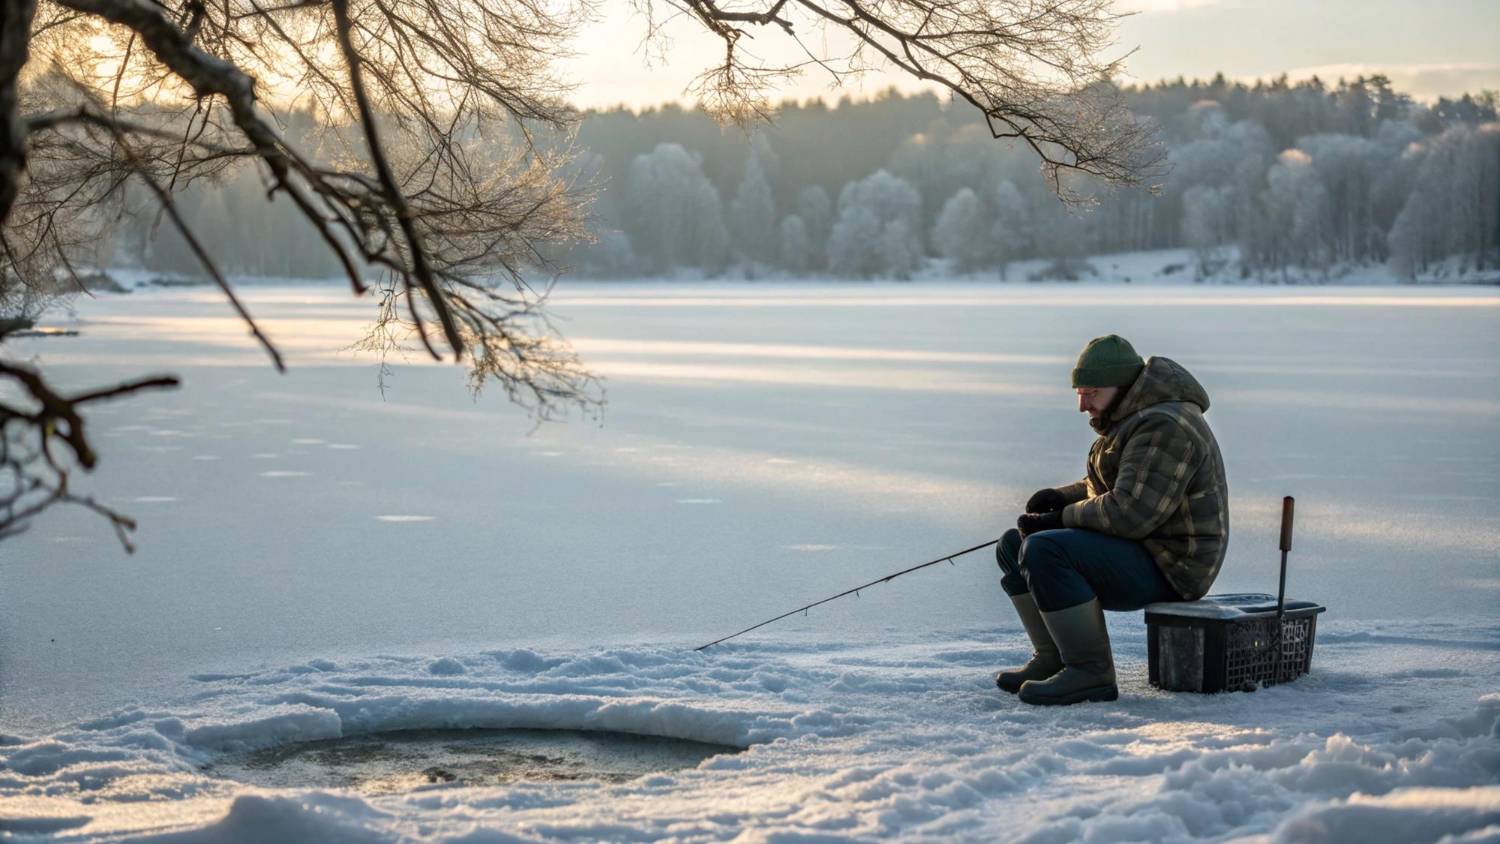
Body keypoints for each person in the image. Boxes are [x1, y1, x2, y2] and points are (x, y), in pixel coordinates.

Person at [994, 335, 1229, 706]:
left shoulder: (1165, 427)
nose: (1082, 405)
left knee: (1045, 550)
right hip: (1141, 547)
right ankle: (1054, 657)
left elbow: (1130, 512)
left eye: (1090, 393)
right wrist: (1062, 498)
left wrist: (1061, 517)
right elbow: (1111, 484)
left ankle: (1090, 673)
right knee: (1015, 546)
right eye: (1079, 393)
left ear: (1122, 386)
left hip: (1173, 565)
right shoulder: (1131, 417)